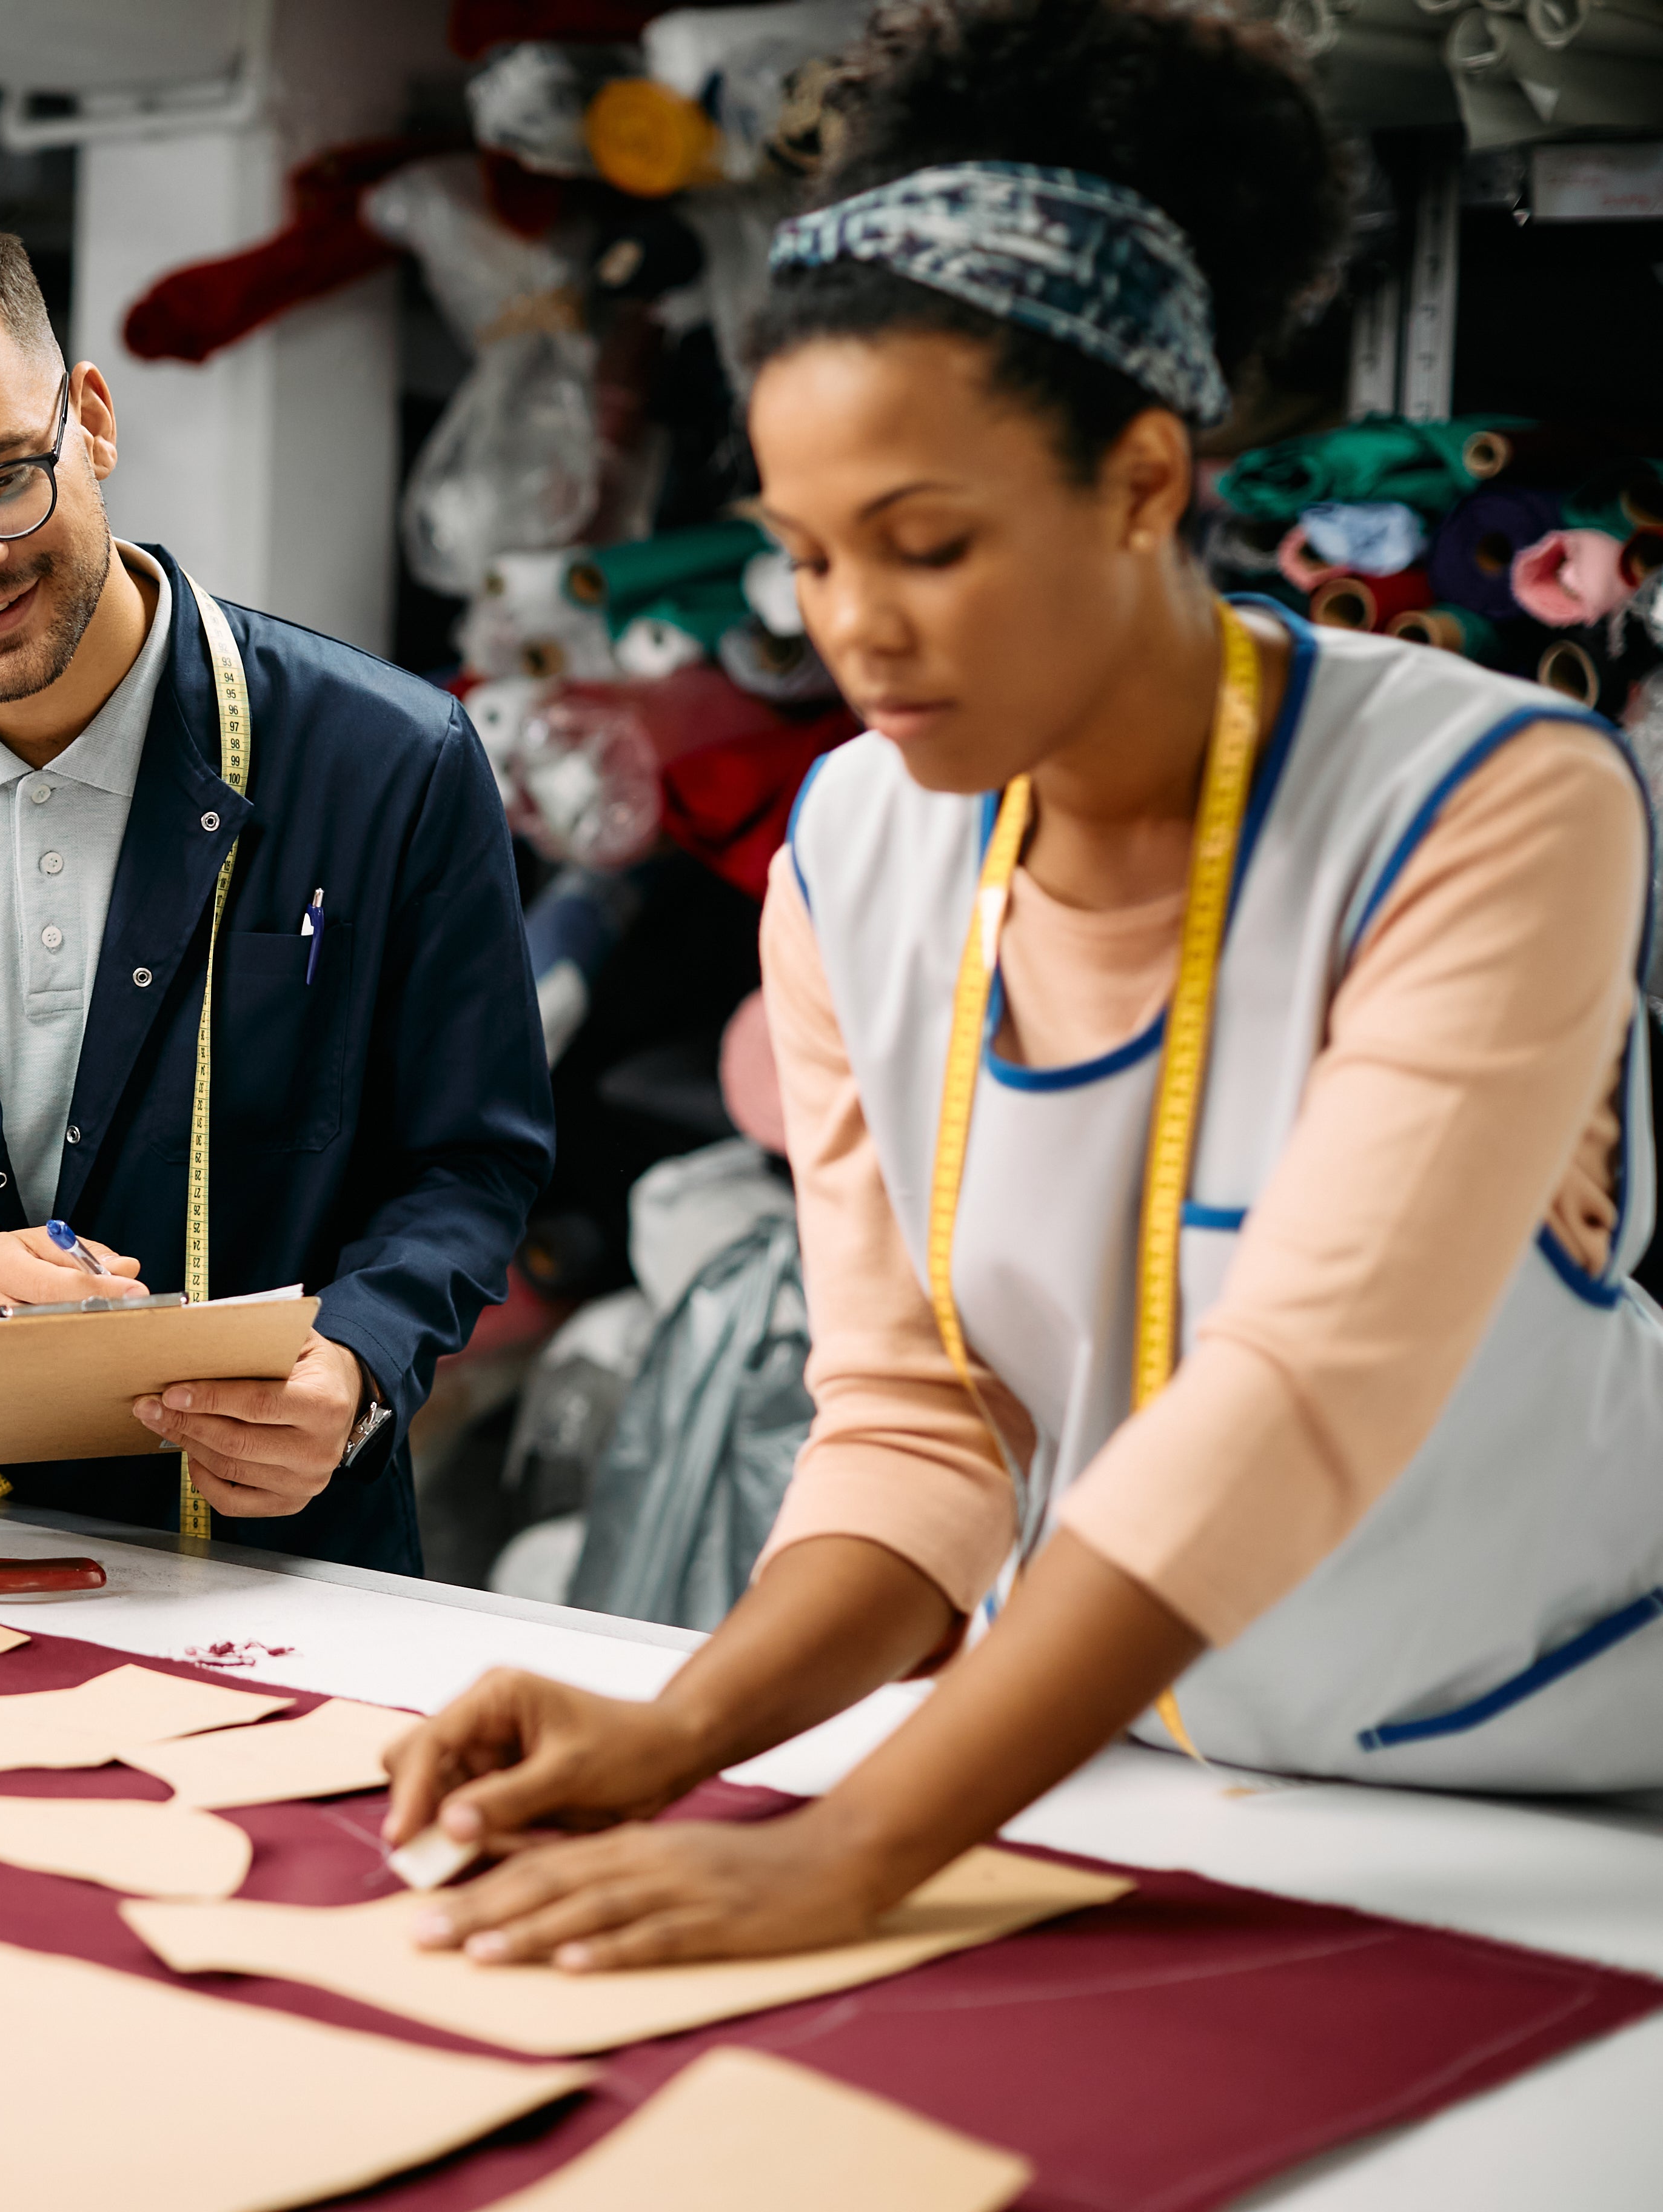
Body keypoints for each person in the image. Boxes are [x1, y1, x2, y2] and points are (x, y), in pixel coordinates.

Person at [383, 0, 1662, 1971]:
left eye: (926, 545)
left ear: (1143, 479)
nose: (858, 632)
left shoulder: (1484, 802)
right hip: (1120, 1782)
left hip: (1544, 1798)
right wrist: (683, 1730)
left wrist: (846, 1852)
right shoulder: (858, 847)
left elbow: (1303, 1389)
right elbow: (918, 1422)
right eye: (809, 557)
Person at [0, 196, 554, 1574]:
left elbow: (469, 1160)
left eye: (3, 479)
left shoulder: (390, 765)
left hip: (275, 1569)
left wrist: (360, 1365)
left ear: (92, 418)